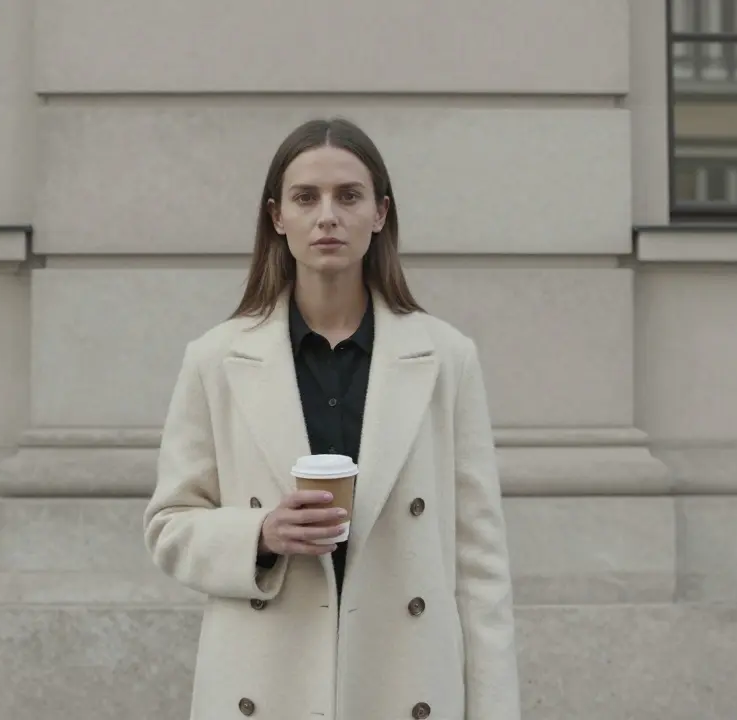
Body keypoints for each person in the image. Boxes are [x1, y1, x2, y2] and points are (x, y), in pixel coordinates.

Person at [144, 117, 521, 720]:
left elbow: (482, 567)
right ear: (277, 217)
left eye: (348, 196)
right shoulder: (216, 359)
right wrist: (261, 536)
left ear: (380, 213)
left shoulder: (447, 358)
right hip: (265, 683)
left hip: (405, 682)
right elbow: (169, 526)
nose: (327, 217)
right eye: (305, 198)